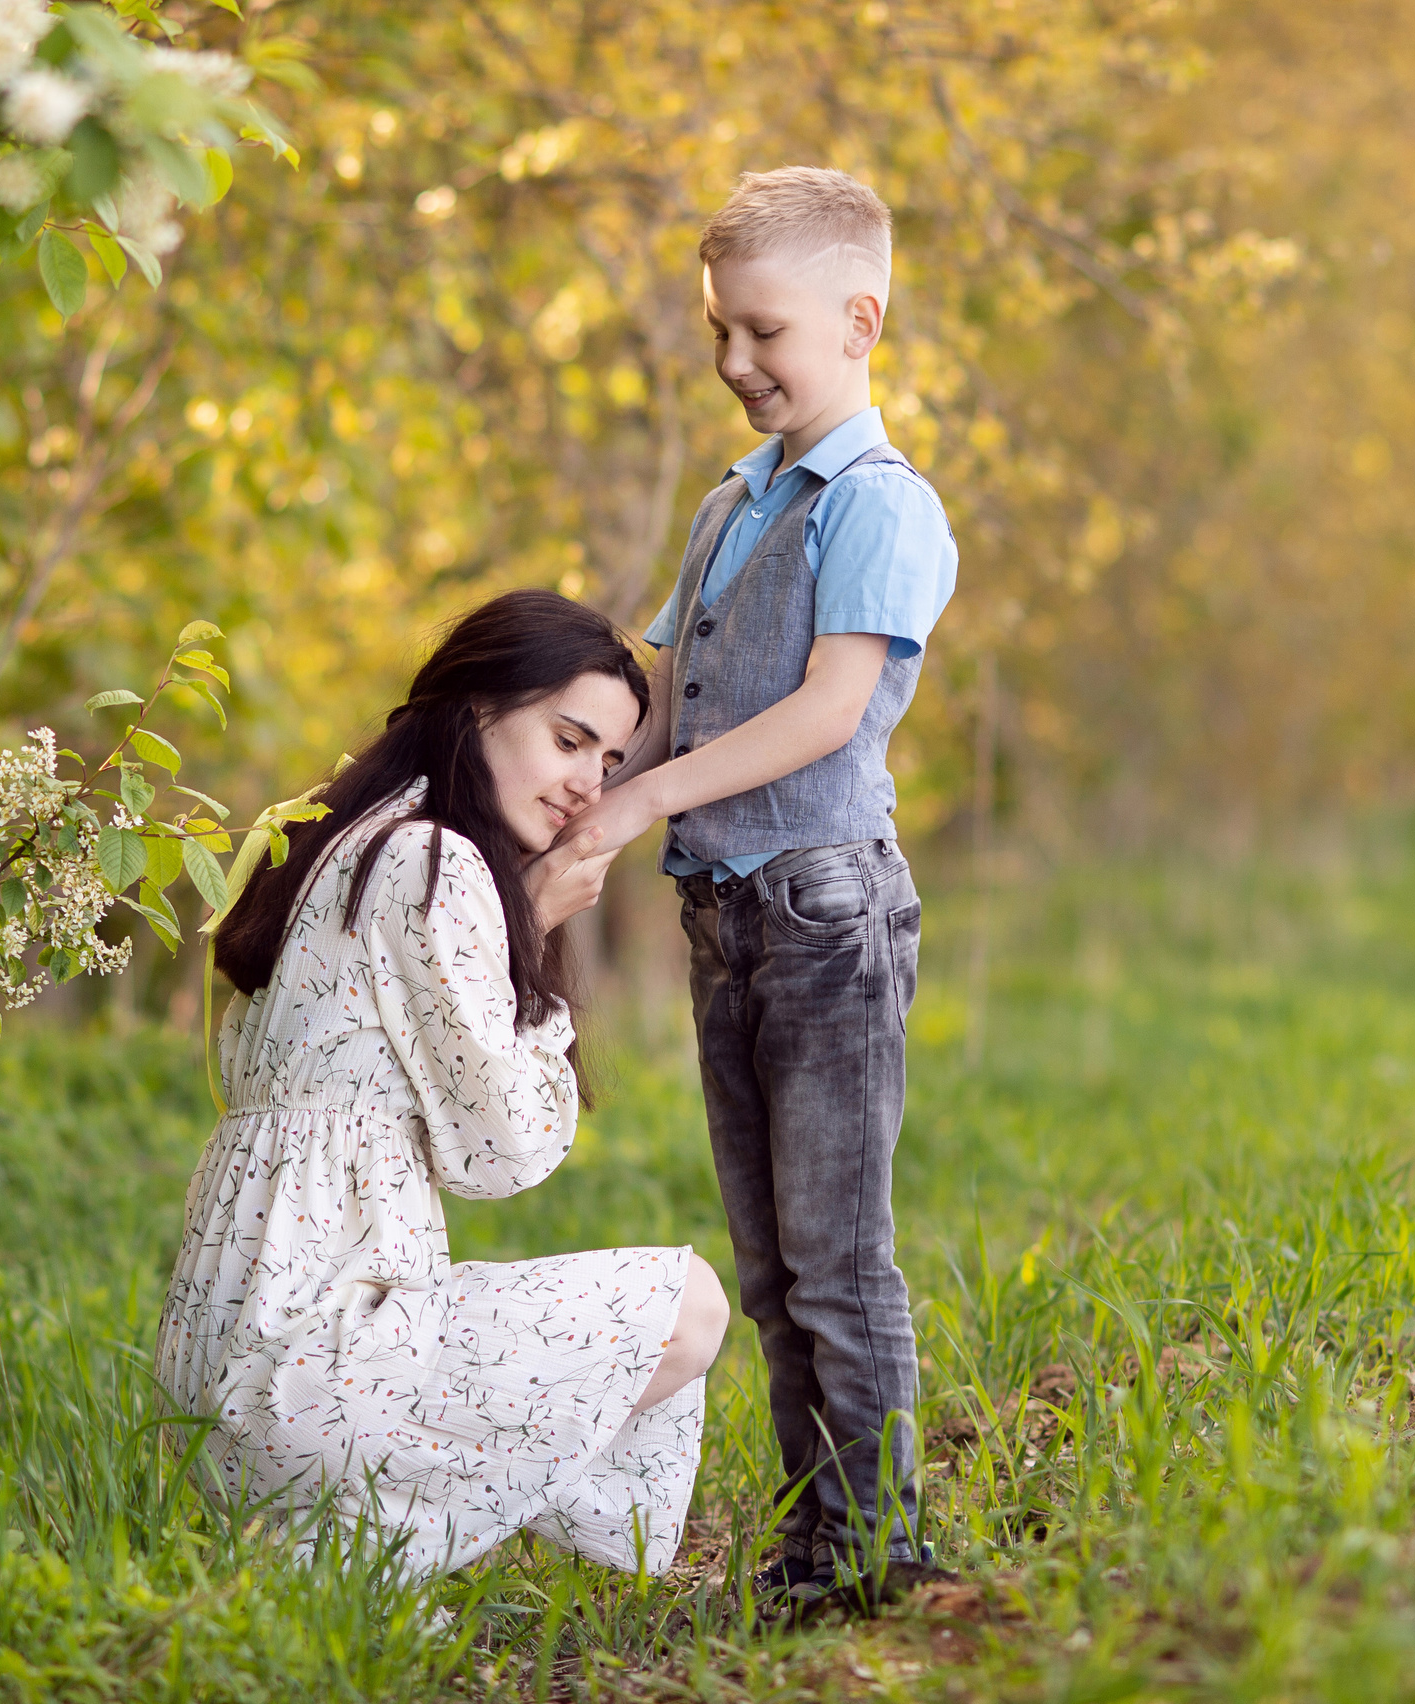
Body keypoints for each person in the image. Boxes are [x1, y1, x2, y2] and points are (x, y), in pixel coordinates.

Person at [560, 167, 960, 1611]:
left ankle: (877, 1547)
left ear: (860, 322)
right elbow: (677, 701)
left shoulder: (878, 505)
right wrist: (585, 812)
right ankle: (816, 1544)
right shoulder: (730, 503)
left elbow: (827, 711)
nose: (736, 363)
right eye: (720, 333)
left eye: (765, 334)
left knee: (840, 1263)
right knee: (772, 1266)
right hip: (725, 920)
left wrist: (656, 794)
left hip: (830, 918)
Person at [156, 589, 732, 1578]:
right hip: (303, 1383)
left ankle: (341, 1545)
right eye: (567, 740)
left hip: (217, 1382)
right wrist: (535, 930)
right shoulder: (436, 865)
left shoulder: (345, 837)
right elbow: (503, 1155)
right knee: (689, 1305)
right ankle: (361, 1545)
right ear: (475, 710)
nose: (587, 786)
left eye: (606, 763)